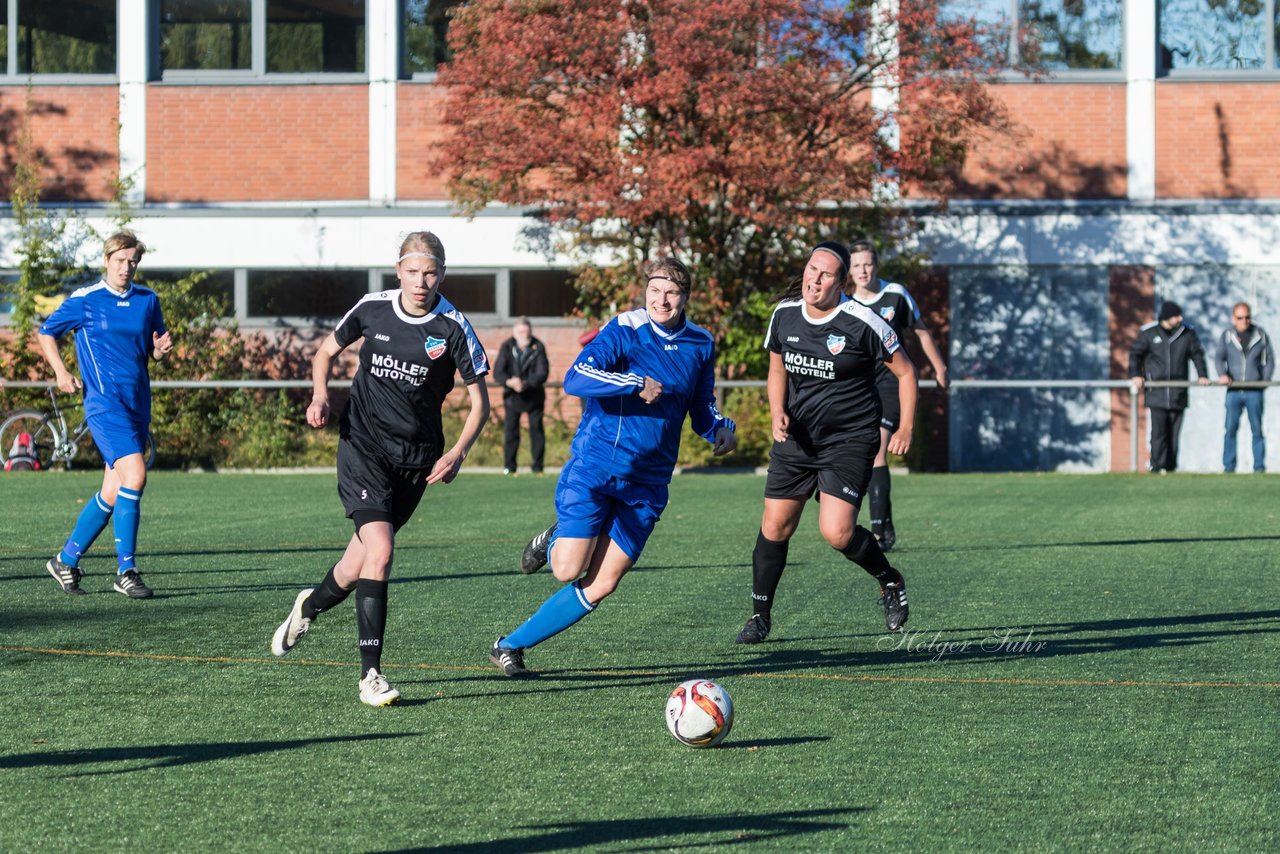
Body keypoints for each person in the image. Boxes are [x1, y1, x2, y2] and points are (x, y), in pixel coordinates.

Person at [269, 231, 490, 706]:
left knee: (356, 565)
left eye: (430, 272)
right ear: (399, 271)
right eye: (413, 271)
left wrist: (458, 453)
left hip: (417, 462)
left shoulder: (454, 328)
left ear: (442, 275)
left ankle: (309, 605)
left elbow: (480, 405)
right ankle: (371, 676)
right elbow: (325, 352)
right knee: (383, 552)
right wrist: (321, 395)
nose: (421, 281)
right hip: (363, 446)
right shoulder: (373, 307)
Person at [490, 257, 737, 677]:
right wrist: (635, 381)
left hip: (648, 485)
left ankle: (509, 645)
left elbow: (701, 406)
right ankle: (552, 539)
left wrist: (719, 429)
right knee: (567, 568)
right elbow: (576, 377)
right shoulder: (626, 328)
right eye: (655, 290)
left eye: (672, 292)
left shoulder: (700, 342)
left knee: (603, 582)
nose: (662, 299)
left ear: (685, 298)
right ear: (646, 292)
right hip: (597, 468)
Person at [735, 241, 918, 645]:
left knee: (836, 532)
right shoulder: (784, 315)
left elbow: (906, 373)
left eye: (825, 274)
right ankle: (759, 617)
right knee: (775, 525)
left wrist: (904, 427)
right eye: (811, 269)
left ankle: (889, 580)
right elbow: (777, 367)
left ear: (841, 282)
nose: (813, 279)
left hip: (849, 440)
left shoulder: (863, 323)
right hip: (798, 437)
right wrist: (775, 411)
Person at [39, 230, 173, 598]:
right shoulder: (86, 300)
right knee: (136, 474)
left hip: (137, 405)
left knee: (112, 490)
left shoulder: (148, 300)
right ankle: (126, 570)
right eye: (120, 261)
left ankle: (66, 560)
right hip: (104, 404)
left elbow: (153, 350)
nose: (126, 268)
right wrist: (61, 372)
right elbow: (46, 332)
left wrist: (160, 351)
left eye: (133, 262)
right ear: (106, 260)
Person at [845, 238, 948, 551]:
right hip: (861, 384)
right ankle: (885, 522)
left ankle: (877, 531)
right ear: (849, 271)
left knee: (878, 449)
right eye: (856, 265)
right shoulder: (844, 302)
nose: (863, 270)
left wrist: (940, 367)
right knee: (866, 452)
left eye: (867, 264)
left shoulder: (895, 294)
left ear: (876, 265)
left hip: (892, 380)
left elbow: (920, 331)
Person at [1129, 301, 1210, 473]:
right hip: (1156, 392)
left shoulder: (1187, 333)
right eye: (1176, 315)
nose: (1180, 318)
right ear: (1167, 317)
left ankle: (1171, 467)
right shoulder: (1149, 333)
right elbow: (1136, 355)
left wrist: (1202, 374)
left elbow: (1197, 354)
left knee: (1174, 434)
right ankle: (1157, 466)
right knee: (1158, 433)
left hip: (1177, 392)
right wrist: (1136, 374)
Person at [1216, 302, 1273, 472]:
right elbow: (1219, 357)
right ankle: (1229, 466)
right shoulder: (1227, 335)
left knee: (1257, 430)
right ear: (1234, 318)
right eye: (1240, 318)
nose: (1244, 321)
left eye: (1247, 317)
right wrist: (1222, 374)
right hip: (1233, 391)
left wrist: (1265, 380)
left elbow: (1269, 359)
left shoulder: (1260, 334)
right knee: (1230, 429)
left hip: (1254, 391)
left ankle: (1259, 467)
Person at [492, 316, 549, 475]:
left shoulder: (538, 347)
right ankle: (509, 467)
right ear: (514, 332)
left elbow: (542, 373)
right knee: (511, 432)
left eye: (527, 331)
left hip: (534, 397)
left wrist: (525, 383)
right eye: (521, 331)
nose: (524, 334)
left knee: (536, 431)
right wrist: (510, 382)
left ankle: (538, 467)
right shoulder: (507, 346)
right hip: (512, 398)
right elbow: (498, 372)